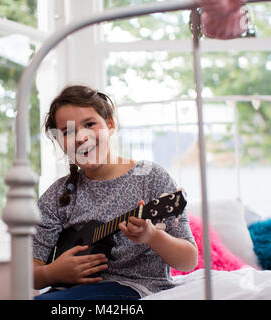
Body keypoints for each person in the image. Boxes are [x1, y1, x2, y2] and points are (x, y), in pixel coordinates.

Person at [33, 85, 197, 300]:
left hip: (134, 289)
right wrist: (52, 272)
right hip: (69, 291)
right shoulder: (57, 195)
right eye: (67, 132)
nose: (81, 137)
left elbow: (188, 260)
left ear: (110, 124)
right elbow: (29, 272)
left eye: (90, 124)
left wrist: (152, 236)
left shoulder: (151, 177)